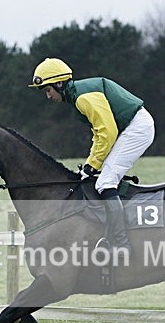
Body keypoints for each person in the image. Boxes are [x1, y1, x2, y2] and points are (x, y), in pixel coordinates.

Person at [29, 58, 155, 258]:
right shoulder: (77, 95)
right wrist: (90, 165)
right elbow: (99, 134)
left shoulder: (82, 98)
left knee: (105, 182)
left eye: (48, 89)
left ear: (59, 84)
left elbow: (107, 133)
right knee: (102, 178)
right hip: (131, 127)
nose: (48, 95)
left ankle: (121, 243)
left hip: (137, 128)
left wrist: (90, 167)